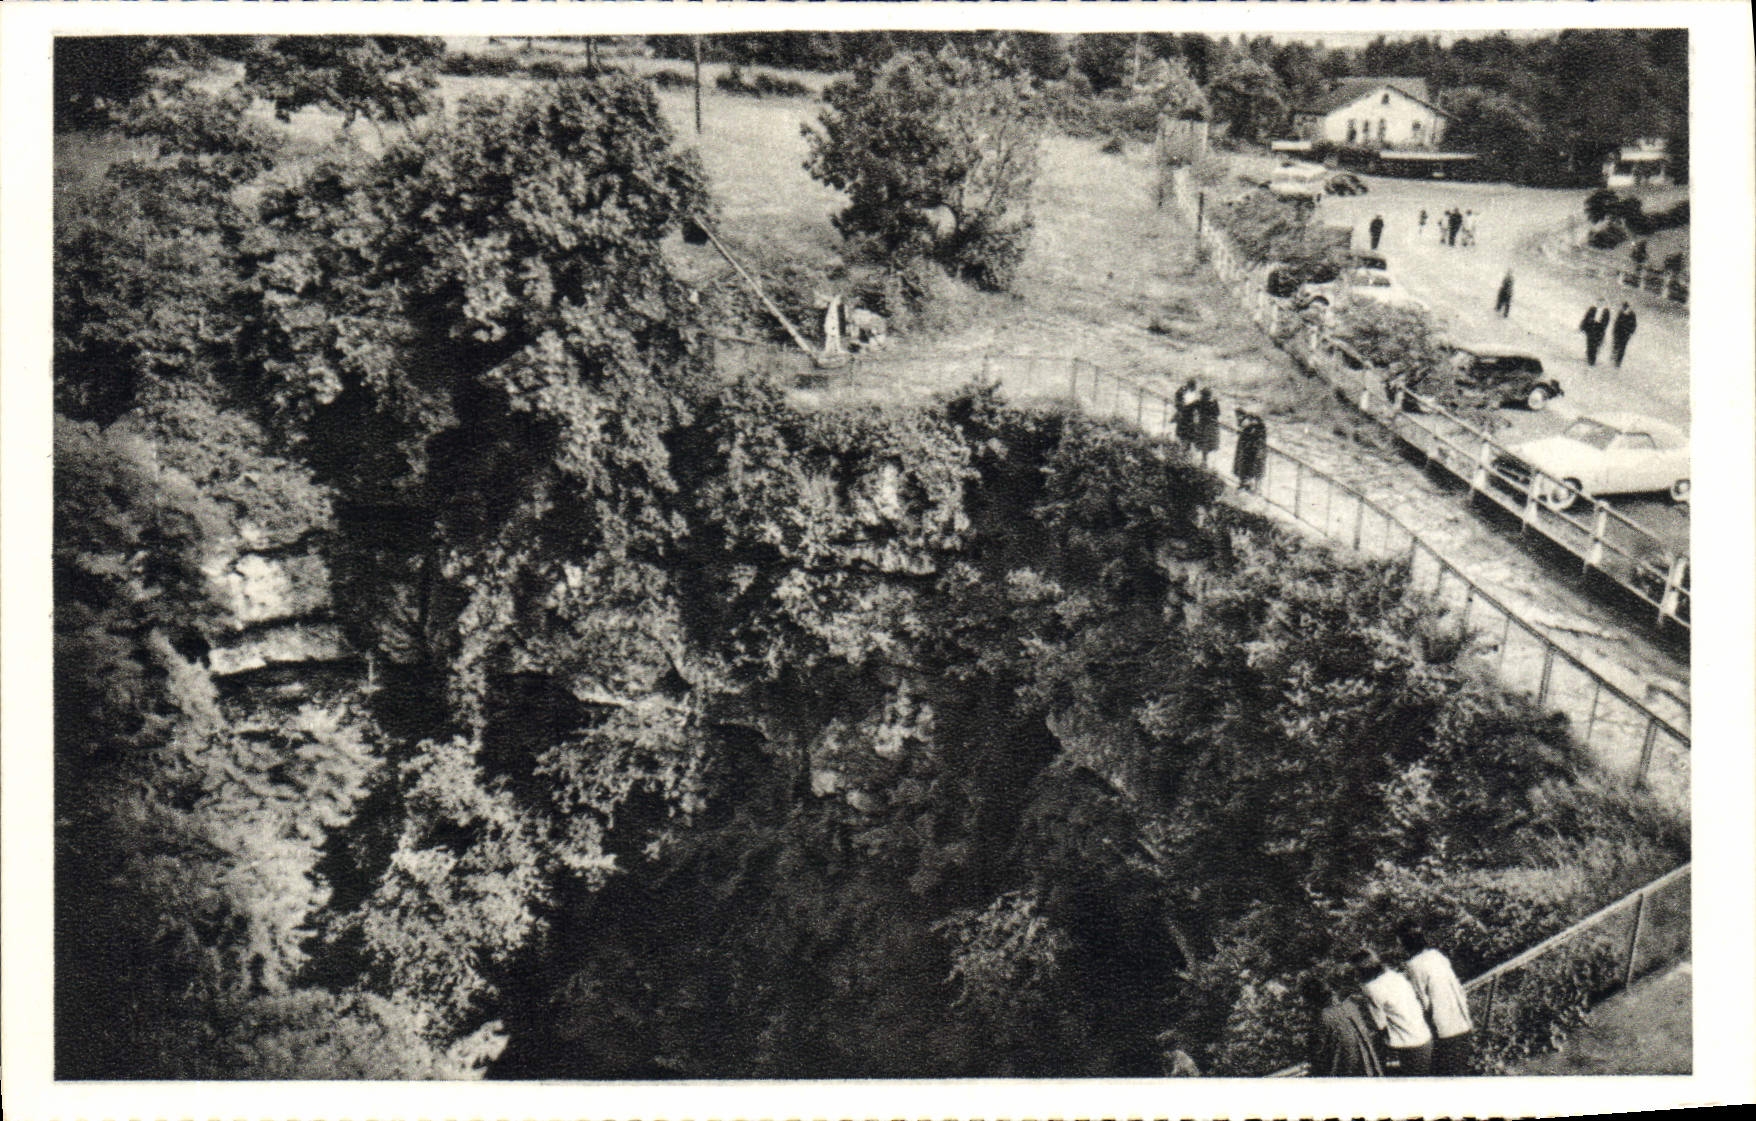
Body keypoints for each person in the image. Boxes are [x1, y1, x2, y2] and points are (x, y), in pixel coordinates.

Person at [1397, 922, 1474, 1077]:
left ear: (1404, 943)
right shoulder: (1437, 956)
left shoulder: (1414, 966)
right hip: (1463, 1024)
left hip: (1444, 1032)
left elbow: (1423, 1003)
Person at [1352, 948, 1433, 1075]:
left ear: (1360, 970)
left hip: (1407, 1046)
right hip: (1425, 1037)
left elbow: (1380, 1025)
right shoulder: (1396, 976)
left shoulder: (1371, 988)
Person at [1304, 970, 1386, 1077]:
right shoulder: (1350, 1006)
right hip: (1370, 1070)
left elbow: (1318, 1054)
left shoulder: (1324, 1017)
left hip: (1349, 1073)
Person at [1232, 409, 1268, 491]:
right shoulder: (1250, 427)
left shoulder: (1259, 427)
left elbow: (1259, 439)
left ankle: (1255, 487)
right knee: (1247, 468)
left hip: (1255, 450)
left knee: (1255, 468)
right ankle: (1247, 484)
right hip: (1248, 450)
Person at [1194, 388, 1221, 466]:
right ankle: (1204, 461)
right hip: (1208, 425)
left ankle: (1204, 461)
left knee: (1203, 443)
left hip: (1204, 425)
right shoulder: (1212, 403)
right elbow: (1217, 413)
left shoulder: (1200, 402)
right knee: (1205, 444)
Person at [1611, 301, 1638, 366]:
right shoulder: (1621, 312)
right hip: (1618, 333)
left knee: (1622, 348)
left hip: (1625, 334)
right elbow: (1616, 322)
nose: (1624, 309)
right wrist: (1614, 331)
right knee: (1616, 345)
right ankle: (1614, 358)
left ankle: (1618, 362)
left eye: (1625, 307)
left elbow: (1634, 325)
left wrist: (1630, 332)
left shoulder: (1632, 314)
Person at [1174, 379, 1200, 443]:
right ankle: (1182, 444)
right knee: (1183, 431)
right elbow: (1178, 399)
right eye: (1193, 387)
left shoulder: (1192, 393)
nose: (1194, 388)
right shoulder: (1182, 390)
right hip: (1185, 414)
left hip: (1189, 415)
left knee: (1187, 432)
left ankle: (1184, 445)